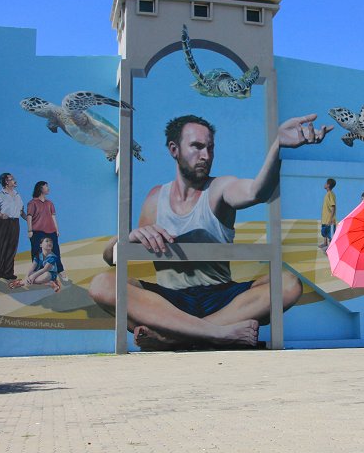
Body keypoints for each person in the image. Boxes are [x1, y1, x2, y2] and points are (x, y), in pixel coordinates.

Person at [89, 113, 333, 350]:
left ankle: (173, 338)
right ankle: (217, 334)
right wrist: (129, 237)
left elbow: (255, 192)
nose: (205, 155)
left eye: (210, 148)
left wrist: (277, 147)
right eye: (196, 146)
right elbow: (111, 257)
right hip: (167, 301)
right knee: (102, 284)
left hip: (221, 298)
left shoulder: (219, 188)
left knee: (288, 284)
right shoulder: (155, 199)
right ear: (174, 149)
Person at [0, 173, 26, 287]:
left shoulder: (17, 195)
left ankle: (8, 273)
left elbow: (21, 211)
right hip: (3, 223)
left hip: (15, 223)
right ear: (6, 182)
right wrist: (0, 215)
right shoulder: (0, 194)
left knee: (11, 249)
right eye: (12, 179)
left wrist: (30, 220)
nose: (14, 180)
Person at [26, 181, 67, 283]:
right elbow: (29, 217)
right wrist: (30, 230)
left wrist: (57, 229)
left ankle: (60, 270)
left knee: (56, 251)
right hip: (37, 232)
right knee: (36, 252)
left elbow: (53, 217)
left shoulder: (50, 203)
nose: (48, 188)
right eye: (46, 187)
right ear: (40, 189)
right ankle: (37, 273)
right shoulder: (32, 203)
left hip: (51, 231)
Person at [319, 178, 337, 250]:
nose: (324, 184)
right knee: (324, 231)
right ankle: (325, 242)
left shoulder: (331, 194)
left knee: (330, 233)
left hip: (329, 218)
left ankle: (331, 247)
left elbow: (333, 206)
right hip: (325, 218)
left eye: (326, 183)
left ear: (328, 185)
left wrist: (331, 218)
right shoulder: (327, 194)